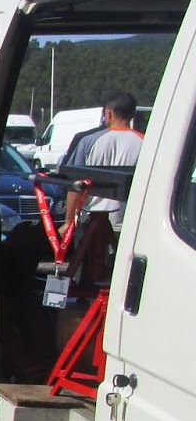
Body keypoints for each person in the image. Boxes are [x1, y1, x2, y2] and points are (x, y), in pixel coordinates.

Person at [64, 92, 144, 288]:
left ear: (109, 113)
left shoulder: (89, 141)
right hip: (128, 225)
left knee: (85, 278)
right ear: (132, 114)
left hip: (91, 223)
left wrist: (68, 222)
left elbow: (76, 185)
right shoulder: (146, 143)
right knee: (122, 279)